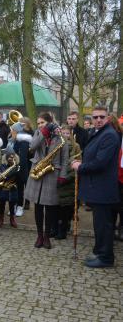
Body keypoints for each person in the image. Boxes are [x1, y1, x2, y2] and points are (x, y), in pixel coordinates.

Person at [71, 106, 121, 268]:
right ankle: (99, 251)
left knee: (104, 225)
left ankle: (106, 257)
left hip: (103, 188)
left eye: (101, 117)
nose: (98, 120)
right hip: (96, 187)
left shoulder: (110, 135)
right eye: (95, 117)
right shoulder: (96, 132)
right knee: (99, 224)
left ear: (107, 118)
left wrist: (80, 167)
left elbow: (100, 163)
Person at [25, 112, 68, 250]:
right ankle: (39, 236)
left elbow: (65, 158)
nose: (40, 125)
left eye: (42, 123)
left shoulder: (60, 136)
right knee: (37, 206)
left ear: (50, 122)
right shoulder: (39, 133)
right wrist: (43, 132)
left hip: (52, 173)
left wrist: (63, 175)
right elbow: (32, 146)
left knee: (49, 208)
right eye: (38, 123)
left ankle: (47, 236)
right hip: (38, 171)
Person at [53, 124, 81, 240]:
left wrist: (66, 177)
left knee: (65, 209)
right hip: (57, 180)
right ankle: (54, 229)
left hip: (68, 182)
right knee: (56, 208)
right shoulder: (57, 145)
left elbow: (77, 164)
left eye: (67, 133)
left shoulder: (76, 147)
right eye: (63, 133)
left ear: (71, 134)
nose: (65, 136)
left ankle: (63, 230)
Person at [0, 151, 20, 229]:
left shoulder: (17, 166)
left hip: (13, 187)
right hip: (4, 187)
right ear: (6, 158)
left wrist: (14, 170)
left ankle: (12, 219)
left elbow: (19, 177)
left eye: (13, 157)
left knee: (12, 204)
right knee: (2, 204)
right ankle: (1, 219)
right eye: (9, 157)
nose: (11, 158)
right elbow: (2, 175)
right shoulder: (2, 166)